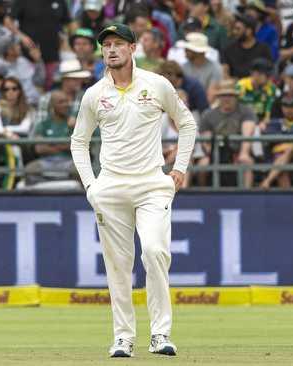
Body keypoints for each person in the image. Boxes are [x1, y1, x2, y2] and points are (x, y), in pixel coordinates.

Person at [71, 23, 196, 357]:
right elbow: (79, 142)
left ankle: (160, 334)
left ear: (133, 48)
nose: (110, 50)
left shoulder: (157, 85)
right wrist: (90, 186)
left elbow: (187, 124)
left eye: (118, 44)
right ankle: (124, 337)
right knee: (118, 265)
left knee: (155, 251)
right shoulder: (95, 94)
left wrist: (179, 167)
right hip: (110, 186)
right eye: (106, 45)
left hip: (152, 183)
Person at [198, 79, 257, 187]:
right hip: (215, 152)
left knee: (246, 162)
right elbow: (206, 142)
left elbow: (247, 134)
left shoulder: (246, 111)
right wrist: (217, 156)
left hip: (237, 151)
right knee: (203, 165)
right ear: (219, 97)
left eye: (230, 95)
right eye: (223, 95)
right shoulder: (208, 115)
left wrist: (243, 153)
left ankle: (247, 195)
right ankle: (203, 194)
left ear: (236, 96)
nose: (227, 98)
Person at [260, 96, 293, 189]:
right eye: (286, 106)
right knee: (282, 170)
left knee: (290, 149)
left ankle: (268, 181)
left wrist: (284, 138)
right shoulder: (274, 123)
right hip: (276, 158)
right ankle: (288, 198)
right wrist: (291, 138)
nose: (289, 110)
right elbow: (270, 136)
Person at [221, 14, 272, 79]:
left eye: (238, 29)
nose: (234, 32)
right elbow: (225, 73)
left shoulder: (264, 49)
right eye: (234, 29)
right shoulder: (228, 49)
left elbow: (268, 73)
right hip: (235, 86)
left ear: (249, 31)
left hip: (257, 84)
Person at [237, 58, 279, 128]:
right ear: (254, 73)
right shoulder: (241, 86)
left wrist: (264, 122)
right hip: (242, 122)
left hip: (261, 124)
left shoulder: (271, 88)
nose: (268, 78)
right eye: (265, 75)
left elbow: (269, 110)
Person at [181, 32, 223, 102]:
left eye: (188, 49)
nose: (185, 50)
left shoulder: (215, 68)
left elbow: (211, 96)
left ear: (198, 52)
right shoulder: (183, 67)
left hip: (206, 107)